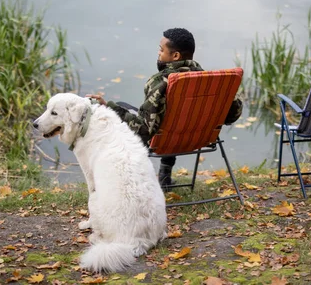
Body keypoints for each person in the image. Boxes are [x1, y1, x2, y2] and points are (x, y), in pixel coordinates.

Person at [86, 28, 242, 188]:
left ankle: (125, 181)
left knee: (120, 107)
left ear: (175, 56)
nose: (158, 53)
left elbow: (144, 130)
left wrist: (109, 108)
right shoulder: (214, 81)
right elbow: (232, 116)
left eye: (161, 50)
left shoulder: (160, 82)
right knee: (178, 117)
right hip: (202, 139)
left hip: (166, 142)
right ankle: (165, 176)